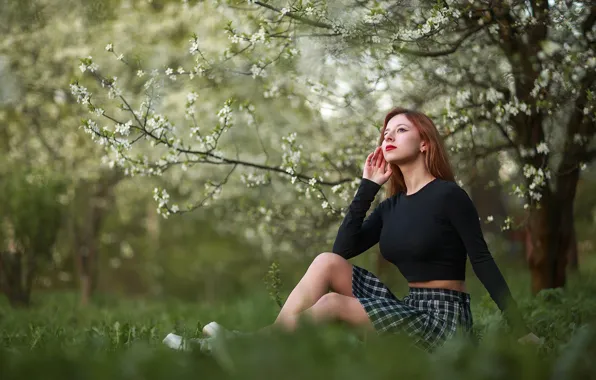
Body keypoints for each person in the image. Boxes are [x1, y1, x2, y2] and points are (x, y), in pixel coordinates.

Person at [166, 106, 543, 353]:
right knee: (325, 262)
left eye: (400, 130)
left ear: (424, 143)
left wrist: (521, 329)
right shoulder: (390, 206)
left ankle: (245, 349)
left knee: (331, 304)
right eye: (385, 133)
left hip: (444, 323)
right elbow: (341, 249)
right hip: (409, 309)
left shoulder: (449, 196)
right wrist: (368, 186)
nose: (388, 137)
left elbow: (482, 261)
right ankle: (260, 348)